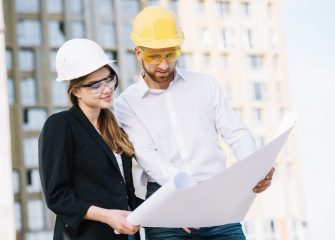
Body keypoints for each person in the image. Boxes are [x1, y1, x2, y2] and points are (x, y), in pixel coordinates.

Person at [115, 6, 275, 240]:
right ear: (138, 52)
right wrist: (186, 198)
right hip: (166, 203)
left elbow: (236, 133)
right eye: (154, 56)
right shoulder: (126, 104)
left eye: (170, 54)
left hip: (216, 197)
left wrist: (255, 169)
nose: (164, 65)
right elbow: (147, 156)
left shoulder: (205, 85)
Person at [38, 38, 143, 240]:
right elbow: (57, 197)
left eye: (109, 78)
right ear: (76, 90)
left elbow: (125, 197)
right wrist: (107, 216)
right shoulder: (60, 126)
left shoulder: (115, 129)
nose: (107, 89)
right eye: (95, 85)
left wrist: (170, 216)